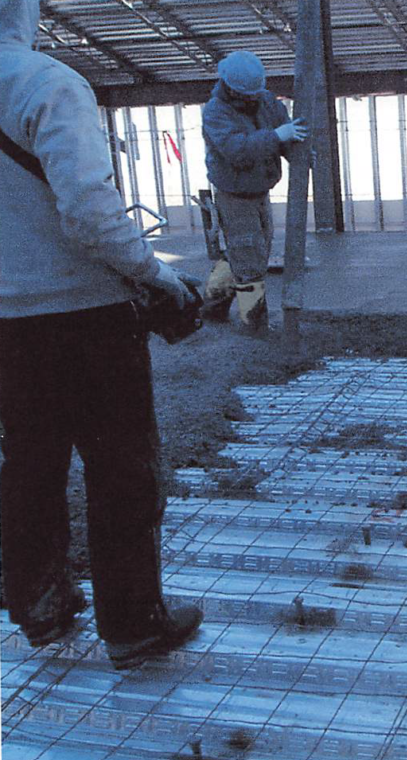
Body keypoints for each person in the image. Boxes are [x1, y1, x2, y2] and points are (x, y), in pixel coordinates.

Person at [0, 0, 203, 668]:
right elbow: (89, 214)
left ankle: (40, 608)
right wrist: (161, 279)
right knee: (122, 472)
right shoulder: (45, 83)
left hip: (5, 331)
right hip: (85, 320)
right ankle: (134, 623)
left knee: (29, 470)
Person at [201, 50, 307, 332]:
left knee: (250, 251)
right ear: (230, 88)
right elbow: (237, 150)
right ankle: (254, 326)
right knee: (249, 259)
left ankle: (211, 306)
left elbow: (288, 134)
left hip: (259, 189)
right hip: (234, 194)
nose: (253, 98)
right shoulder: (215, 112)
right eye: (247, 94)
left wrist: (299, 152)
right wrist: (275, 136)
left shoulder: (264, 100)